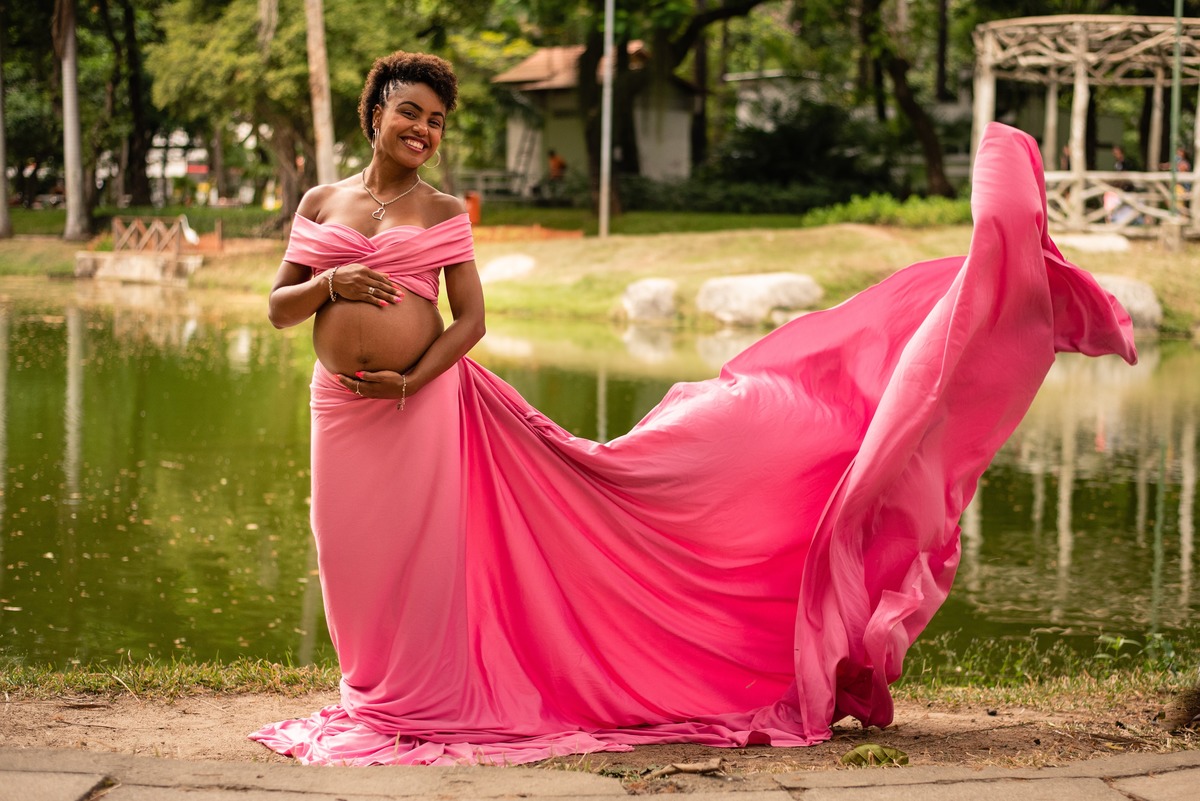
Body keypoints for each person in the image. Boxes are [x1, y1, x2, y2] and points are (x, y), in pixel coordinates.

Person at [250, 51, 1137, 767]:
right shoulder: (322, 203)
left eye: (437, 121)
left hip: (426, 409)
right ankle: (370, 690)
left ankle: (422, 695)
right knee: (353, 557)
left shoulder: (443, 209)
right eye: (410, 113)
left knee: (430, 558)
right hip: (340, 411)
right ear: (375, 114)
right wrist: (331, 279)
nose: (424, 130)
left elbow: (472, 319)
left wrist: (414, 378)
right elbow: (280, 308)